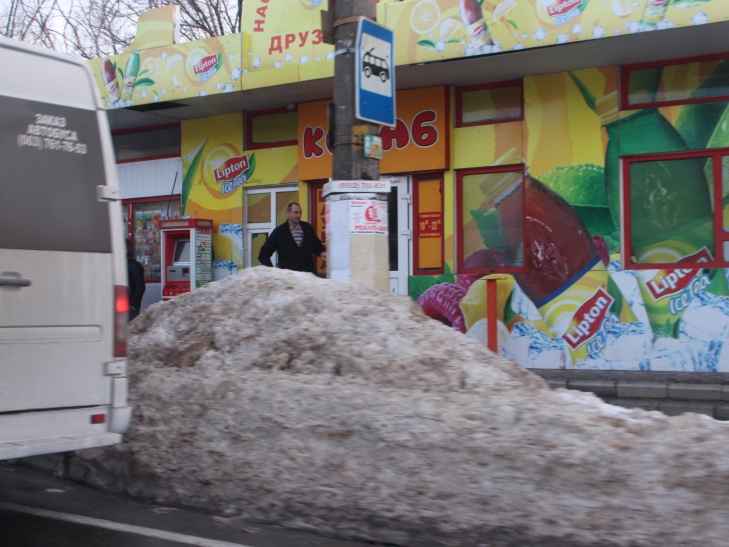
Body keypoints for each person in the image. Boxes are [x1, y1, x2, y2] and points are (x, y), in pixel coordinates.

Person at [258, 202, 327, 275]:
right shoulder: (279, 232)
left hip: (308, 277)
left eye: (300, 212)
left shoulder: (307, 228)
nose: (299, 215)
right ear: (288, 213)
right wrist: (272, 271)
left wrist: (322, 252)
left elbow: (315, 243)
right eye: (296, 212)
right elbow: (263, 254)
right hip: (289, 279)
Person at [126, 239, 146, 320]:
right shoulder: (122, 264)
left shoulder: (134, 265)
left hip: (130, 307)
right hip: (122, 305)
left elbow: (140, 287)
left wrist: (134, 305)